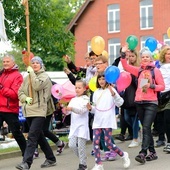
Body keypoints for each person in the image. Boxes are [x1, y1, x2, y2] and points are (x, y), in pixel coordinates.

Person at [121, 45, 165, 164]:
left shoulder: (155, 71)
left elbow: (162, 86)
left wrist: (151, 86)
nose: (145, 58)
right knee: (145, 128)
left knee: (146, 127)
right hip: (139, 102)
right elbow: (125, 66)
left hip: (151, 103)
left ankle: (143, 152)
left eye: (147, 57)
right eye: (143, 57)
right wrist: (123, 54)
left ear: (151, 59)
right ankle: (152, 152)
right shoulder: (139, 70)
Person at [16, 56, 56, 170]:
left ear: (41, 65)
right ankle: (51, 158)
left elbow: (37, 86)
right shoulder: (27, 77)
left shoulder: (44, 77)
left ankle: (26, 163)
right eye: (32, 63)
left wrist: (32, 74)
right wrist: (25, 99)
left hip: (39, 110)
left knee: (32, 136)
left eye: (37, 63)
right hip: (28, 110)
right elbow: (20, 92)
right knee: (38, 136)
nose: (34, 64)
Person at [87, 73, 131, 170]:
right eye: (100, 79)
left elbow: (120, 103)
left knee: (108, 143)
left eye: (103, 79)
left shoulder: (111, 90)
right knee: (95, 142)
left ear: (107, 80)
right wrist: (91, 109)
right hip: (98, 121)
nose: (101, 81)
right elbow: (96, 109)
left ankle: (123, 155)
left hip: (107, 120)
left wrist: (114, 94)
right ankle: (99, 164)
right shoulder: (96, 92)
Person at [0, 54, 26, 155]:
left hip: (10, 109)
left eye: (7, 62)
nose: (5, 63)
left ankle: (26, 153)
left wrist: (2, 88)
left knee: (16, 133)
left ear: (13, 63)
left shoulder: (17, 76)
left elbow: (15, 94)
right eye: (4, 62)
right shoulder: (1, 74)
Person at [63, 79, 90, 170]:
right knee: (72, 145)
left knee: (81, 146)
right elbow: (69, 113)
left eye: (79, 88)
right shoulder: (73, 99)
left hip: (82, 126)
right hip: (74, 126)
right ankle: (83, 159)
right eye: (76, 87)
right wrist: (65, 110)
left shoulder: (86, 99)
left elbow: (82, 111)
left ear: (84, 89)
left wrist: (72, 108)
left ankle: (83, 164)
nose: (77, 89)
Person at [122, 50, 141, 148]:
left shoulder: (139, 68)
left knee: (134, 118)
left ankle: (135, 138)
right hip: (128, 94)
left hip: (135, 94)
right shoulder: (127, 68)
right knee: (127, 118)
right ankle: (137, 131)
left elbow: (140, 84)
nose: (130, 58)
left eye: (132, 56)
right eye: (129, 57)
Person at [156, 46, 170, 152]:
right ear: (163, 55)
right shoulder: (158, 69)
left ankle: (169, 142)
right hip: (161, 95)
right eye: (167, 53)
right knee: (161, 120)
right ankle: (163, 139)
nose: (169, 55)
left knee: (167, 118)